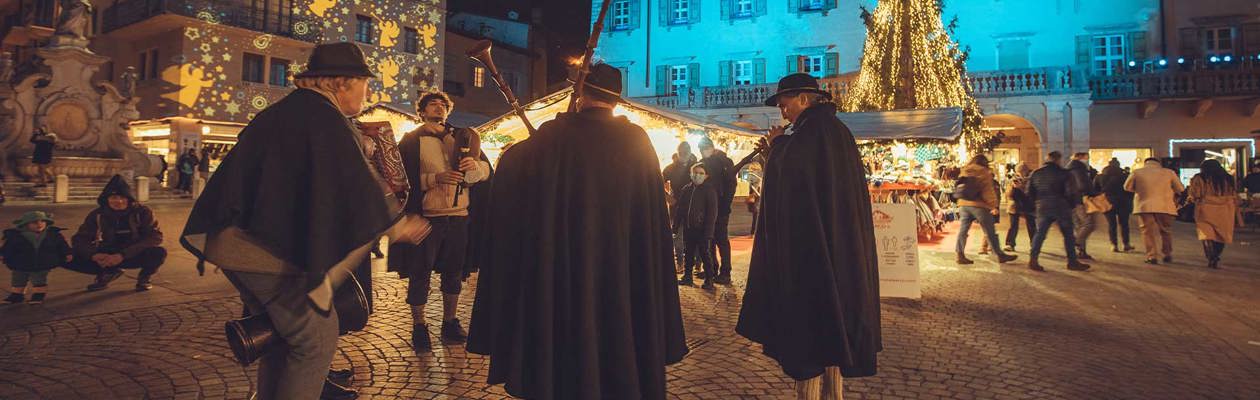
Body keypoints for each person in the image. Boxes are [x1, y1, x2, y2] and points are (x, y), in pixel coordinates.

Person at [179, 42, 429, 400]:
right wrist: (395, 223)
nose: (366, 92)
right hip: (252, 248)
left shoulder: (294, 111)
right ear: (342, 82)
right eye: (364, 83)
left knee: (281, 336)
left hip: (234, 240)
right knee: (315, 336)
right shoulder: (323, 117)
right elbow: (353, 178)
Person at [466, 64, 687, 399]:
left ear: (581, 93)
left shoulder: (553, 135)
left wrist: (526, 150)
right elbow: (651, 222)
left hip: (561, 273)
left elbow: (510, 172)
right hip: (621, 272)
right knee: (619, 331)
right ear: (616, 100)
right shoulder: (637, 141)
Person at [737, 73, 881, 398]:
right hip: (836, 251)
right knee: (832, 335)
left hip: (811, 256)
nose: (782, 112)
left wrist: (776, 146)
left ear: (804, 99)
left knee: (812, 335)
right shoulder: (836, 132)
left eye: (784, 104)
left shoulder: (808, 135)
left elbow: (790, 185)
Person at [388, 91, 491, 351]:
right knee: (419, 272)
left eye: (443, 105)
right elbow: (400, 179)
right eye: (432, 104)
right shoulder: (411, 141)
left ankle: (450, 322)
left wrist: (473, 169)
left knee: (454, 271)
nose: (439, 108)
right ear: (421, 111)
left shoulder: (463, 136)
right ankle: (419, 327)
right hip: (427, 217)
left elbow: (485, 173)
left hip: (459, 217)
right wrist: (435, 179)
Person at [65, 175, 167, 291]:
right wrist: (93, 255)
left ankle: (144, 277)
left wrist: (122, 255)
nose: (118, 201)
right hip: (106, 255)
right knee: (65, 256)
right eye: (113, 197)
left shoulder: (142, 212)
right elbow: (80, 238)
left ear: (129, 199)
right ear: (106, 199)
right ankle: (108, 273)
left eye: (122, 197)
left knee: (158, 253)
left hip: (133, 253)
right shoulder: (98, 214)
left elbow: (155, 237)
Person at [1026, 151, 1091, 272]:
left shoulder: (1036, 173)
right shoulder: (1064, 174)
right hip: (1061, 206)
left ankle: (1033, 259)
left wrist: (1036, 205)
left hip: (1042, 206)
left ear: (1047, 159)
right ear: (1058, 160)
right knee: (1068, 235)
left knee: (1040, 234)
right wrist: (1072, 205)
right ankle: (1072, 262)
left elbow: (1029, 192)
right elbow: (1072, 191)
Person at [955, 155, 1018, 264]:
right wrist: (993, 205)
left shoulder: (965, 170)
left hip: (963, 204)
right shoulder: (984, 171)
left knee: (963, 230)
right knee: (989, 231)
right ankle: (999, 254)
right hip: (980, 205)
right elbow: (988, 190)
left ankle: (959, 255)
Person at [2, 211, 72, 304]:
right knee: (18, 278)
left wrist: (67, 253)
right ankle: (17, 295)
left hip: (42, 262)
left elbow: (62, 245)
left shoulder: (52, 234)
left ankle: (38, 295)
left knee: (39, 279)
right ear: (26, 224)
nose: (39, 224)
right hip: (21, 262)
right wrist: (3, 254)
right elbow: (8, 247)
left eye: (42, 221)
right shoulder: (16, 236)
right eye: (35, 222)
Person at [1124, 157, 1184, 264]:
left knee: (1147, 232)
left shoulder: (1137, 172)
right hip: (1165, 206)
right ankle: (1167, 254)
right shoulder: (1169, 172)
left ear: (1145, 163)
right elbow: (1180, 189)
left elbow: (1126, 187)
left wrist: (1138, 190)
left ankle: (1152, 256)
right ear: (1158, 163)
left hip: (1144, 206)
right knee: (1166, 231)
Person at [1187, 160, 1239, 269]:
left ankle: (1212, 257)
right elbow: (1234, 194)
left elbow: (1195, 194)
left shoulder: (1200, 178)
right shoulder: (1228, 178)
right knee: (1221, 235)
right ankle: (1216, 255)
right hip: (1225, 210)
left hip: (1205, 209)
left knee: (1206, 235)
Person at [697, 137, 736, 284]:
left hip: (721, 207)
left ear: (712, 147)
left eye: (705, 147)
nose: (703, 150)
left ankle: (725, 272)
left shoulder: (724, 162)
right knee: (710, 239)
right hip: (708, 207)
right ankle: (712, 269)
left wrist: (725, 204)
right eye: (701, 148)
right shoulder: (705, 163)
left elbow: (731, 185)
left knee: (721, 239)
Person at [674, 163, 719, 289]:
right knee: (688, 253)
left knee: (705, 254)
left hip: (703, 229)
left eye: (701, 173)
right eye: (695, 172)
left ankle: (709, 279)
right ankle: (687, 277)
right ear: (690, 174)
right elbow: (680, 209)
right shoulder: (686, 189)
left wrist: (709, 232)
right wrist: (675, 226)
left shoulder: (709, 190)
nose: (697, 175)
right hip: (689, 228)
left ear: (706, 176)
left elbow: (712, 213)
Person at [1095, 158, 1135, 252]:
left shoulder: (1100, 176)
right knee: (1124, 224)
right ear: (1118, 165)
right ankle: (1126, 244)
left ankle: (1114, 245)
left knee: (1111, 224)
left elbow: (1095, 189)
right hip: (1123, 202)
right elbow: (1130, 189)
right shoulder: (1125, 176)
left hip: (1108, 202)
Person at [1067, 152, 1101, 260]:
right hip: (1080, 199)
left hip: (1071, 200)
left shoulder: (1069, 168)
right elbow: (1083, 185)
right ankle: (1077, 242)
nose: (1087, 160)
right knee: (1089, 223)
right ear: (1079, 157)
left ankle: (1081, 252)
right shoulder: (1078, 169)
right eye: (1086, 158)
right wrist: (1093, 193)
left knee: (1079, 226)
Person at [1003, 163, 1036, 252]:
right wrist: (1012, 188)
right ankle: (1010, 243)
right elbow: (1008, 194)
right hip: (1014, 205)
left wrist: (1021, 187)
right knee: (1013, 225)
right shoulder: (1013, 179)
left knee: (1031, 225)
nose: (1020, 173)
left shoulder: (1031, 179)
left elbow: (1031, 192)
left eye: (1022, 171)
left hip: (1028, 205)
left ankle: (1034, 244)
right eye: (1019, 171)